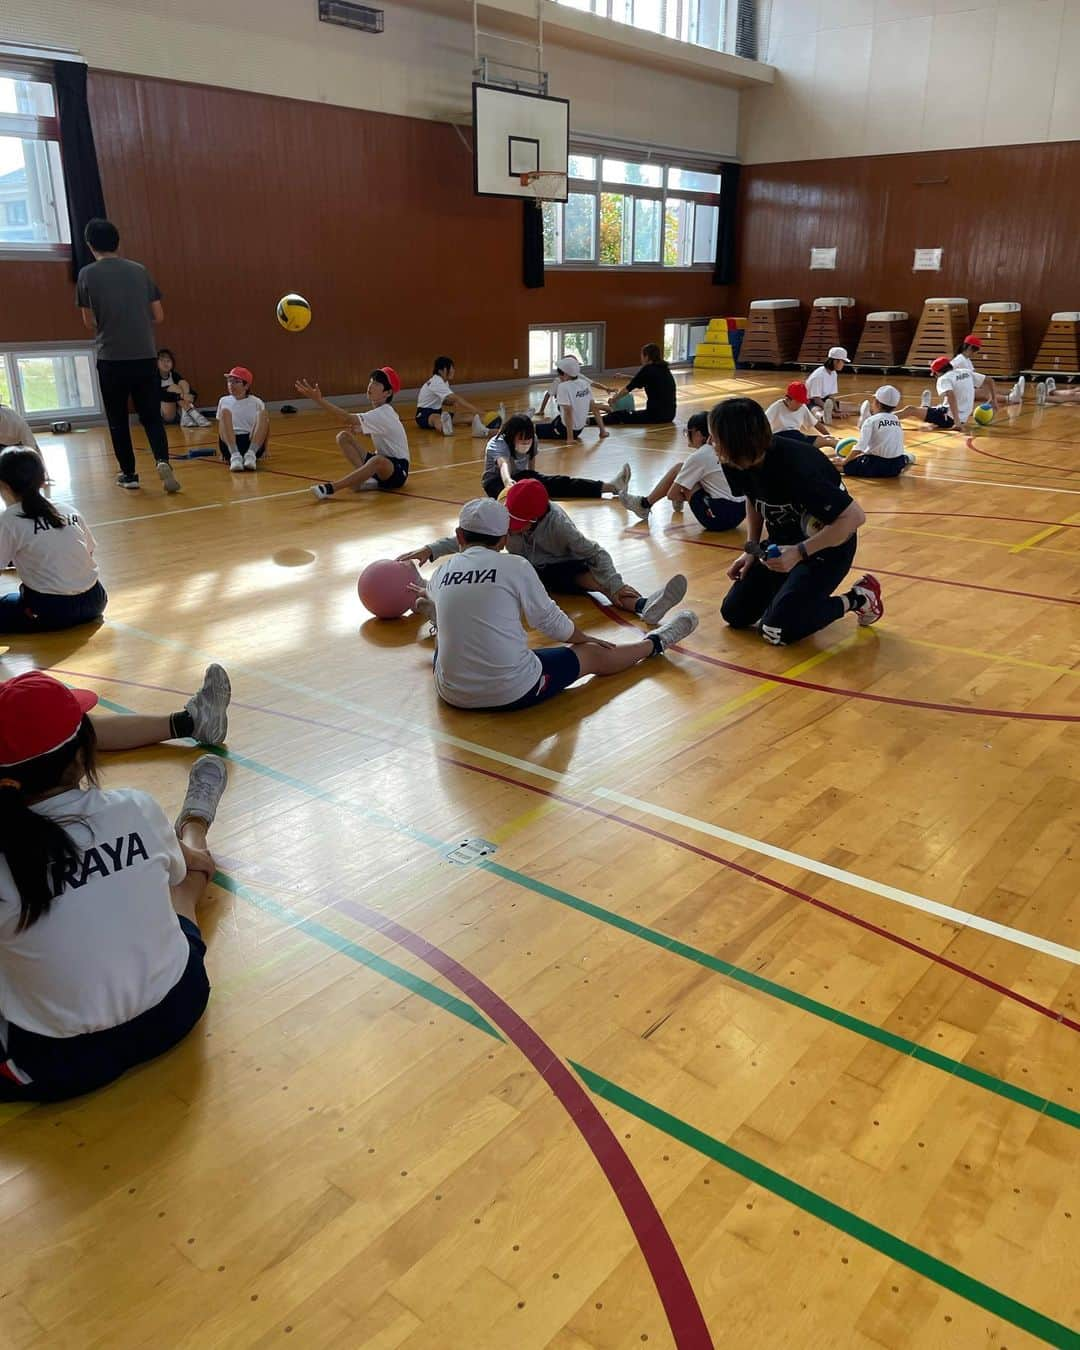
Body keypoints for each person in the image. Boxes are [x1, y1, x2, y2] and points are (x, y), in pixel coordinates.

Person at [0, 672, 229, 1102]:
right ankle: (195, 825)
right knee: (180, 884)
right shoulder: (135, 807)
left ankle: (191, 833)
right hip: (177, 1008)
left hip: (59, 1065)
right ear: (87, 753)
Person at [417, 498, 697, 711]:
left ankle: (438, 618)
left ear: (460, 536)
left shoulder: (441, 573)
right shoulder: (514, 565)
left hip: (451, 694)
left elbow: (431, 589)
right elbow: (550, 623)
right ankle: (656, 643)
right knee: (590, 655)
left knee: (452, 629)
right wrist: (585, 639)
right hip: (513, 692)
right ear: (504, 539)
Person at [710, 398, 882, 646]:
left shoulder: (799, 465)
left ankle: (858, 598)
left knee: (776, 630)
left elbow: (854, 517)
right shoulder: (734, 462)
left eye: (716, 438)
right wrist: (751, 549)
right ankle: (791, 599)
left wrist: (800, 552)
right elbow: (753, 497)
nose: (712, 444)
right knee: (735, 614)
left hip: (829, 547)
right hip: (783, 545)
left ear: (738, 441)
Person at [401, 478, 687, 625]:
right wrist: (431, 549)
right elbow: (473, 536)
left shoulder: (560, 527)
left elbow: (596, 554)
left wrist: (615, 585)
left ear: (537, 519)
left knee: (597, 582)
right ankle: (439, 606)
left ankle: (644, 606)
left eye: (516, 525)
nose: (509, 529)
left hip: (559, 570)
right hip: (522, 571)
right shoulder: (503, 509)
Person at [75, 218, 180, 494]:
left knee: (118, 419)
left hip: (111, 359)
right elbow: (159, 315)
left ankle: (130, 474)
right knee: (151, 417)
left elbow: (89, 321)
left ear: (89, 245)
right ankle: (162, 460)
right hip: (145, 357)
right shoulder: (140, 271)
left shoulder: (87, 274)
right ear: (118, 242)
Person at [0, 448, 107, 633]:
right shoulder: (67, 509)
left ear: (4, 485)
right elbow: (89, 551)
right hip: (95, 600)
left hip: (51, 609)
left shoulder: (9, 519)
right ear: (42, 481)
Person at [620, 412, 747, 532]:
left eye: (688, 432)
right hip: (740, 514)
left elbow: (671, 495)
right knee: (693, 474)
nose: (687, 435)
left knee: (680, 468)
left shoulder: (700, 456)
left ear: (698, 434)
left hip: (717, 519)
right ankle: (681, 485)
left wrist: (685, 494)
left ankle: (644, 504)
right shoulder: (726, 447)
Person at [296, 370, 410, 500]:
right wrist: (363, 431)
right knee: (343, 437)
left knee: (376, 460)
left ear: (388, 393)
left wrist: (319, 400)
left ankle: (331, 488)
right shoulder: (378, 412)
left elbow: (346, 418)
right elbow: (384, 435)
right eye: (371, 381)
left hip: (397, 471)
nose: (371, 385)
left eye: (377, 383)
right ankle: (367, 479)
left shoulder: (384, 413)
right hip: (381, 463)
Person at [481, 414, 630, 503]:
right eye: (522, 439)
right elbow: (503, 464)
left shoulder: (533, 439)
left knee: (560, 483)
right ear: (512, 435)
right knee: (518, 498)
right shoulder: (498, 443)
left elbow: (531, 466)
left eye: (529, 439)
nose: (526, 442)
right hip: (495, 481)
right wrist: (508, 482)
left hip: (520, 476)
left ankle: (612, 487)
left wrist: (533, 480)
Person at [835, 386, 916, 478]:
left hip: (877, 465)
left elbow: (860, 447)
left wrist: (845, 461)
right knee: (897, 458)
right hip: (896, 466)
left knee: (841, 467)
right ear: (894, 407)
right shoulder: (896, 419)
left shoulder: (871, 421)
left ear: (876, 402)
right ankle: (906, 458)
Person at [415, 357, 502, 438]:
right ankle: (446, 429)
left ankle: (483, 427)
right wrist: (479, 411)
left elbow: (444, 400)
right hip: (423, 414)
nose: (453, 371)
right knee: (436, 419)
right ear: (443, 370)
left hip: (439, 412)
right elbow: (457, 398)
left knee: (471, 417)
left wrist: (452, 403)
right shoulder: (436, 382)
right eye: (451, 368)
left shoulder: (444, 382)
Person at [600, 344, 677, 425]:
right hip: (670, 415)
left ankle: (590, 421)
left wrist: (614, 400)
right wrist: (625, 376)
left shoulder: (647, 369)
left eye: (642, 355)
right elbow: (643, 379)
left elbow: (627, 389)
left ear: (646, 357)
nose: (641, 358)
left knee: (620, 415)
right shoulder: (664, 368)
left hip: (655, 416)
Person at [536, 357, 608, 443]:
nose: (559, 376)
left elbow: (568, 412)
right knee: (552, 421)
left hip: (564, 430)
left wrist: (570, 438)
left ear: (566, 374)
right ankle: (549, 424)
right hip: (579, 430)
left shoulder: (563, 387)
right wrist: (602, 431)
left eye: (560, 374)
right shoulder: (584, 383)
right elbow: (594, 408)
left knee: (533, 429)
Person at [896, 356, 974, 432]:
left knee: (910, 409)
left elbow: (951, 395)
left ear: (937, 372)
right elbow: (985, 380)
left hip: (949, 418)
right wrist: (986, 402)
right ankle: (925, 407)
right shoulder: (966, 372)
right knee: (937, 409)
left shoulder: (944, 378)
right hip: (961, 417)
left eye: (935, 374)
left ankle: (885, 418)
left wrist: (957, 422)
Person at [217, 367, 270, 472]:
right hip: (230, 442)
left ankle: (251, 455)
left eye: (236, 382)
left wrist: (266, 449)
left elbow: (265, 427)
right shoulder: (223, 400)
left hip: (251, 441)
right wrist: (221, 450)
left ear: (246, 386)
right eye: (229, 381)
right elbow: (221, 427)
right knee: (225, 412)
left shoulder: (256, 402)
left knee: (263, 414)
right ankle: (235, 455)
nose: (231, 385)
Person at [764, 382, 836, 449]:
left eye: (802, 402)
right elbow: (762, 425)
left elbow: (815, 423)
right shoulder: (776, 407)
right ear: (788, 399)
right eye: (798, 402)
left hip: (796, 436)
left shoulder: (802, 407)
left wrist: (829, 435)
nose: (800, 405)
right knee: (821, 442)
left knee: (828, 439)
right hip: (780, 438)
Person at [158, 349, 208, 428]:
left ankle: (186, 416)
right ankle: (193, 414)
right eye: (162, 361)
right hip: (162, 414)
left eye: (168, 361)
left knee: (183, 383)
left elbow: (193, 393)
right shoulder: (153, 377)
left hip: (177, 413)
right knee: (173, 387)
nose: (166, 363)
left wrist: (186, 395)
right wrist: (180, 396)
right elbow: (159, 395)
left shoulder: (174, 375)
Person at [805, 347, 855, 423]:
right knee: (817, 411)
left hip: (825, 400)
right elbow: (816, 399)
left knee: (853, 407)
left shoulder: (834, 373)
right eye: (843, 362)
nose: (843, 364)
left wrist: (837, 410)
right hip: (811, 402)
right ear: (836, 361)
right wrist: (832, 412)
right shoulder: (818, 376)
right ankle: (823, 417)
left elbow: (831, 396)